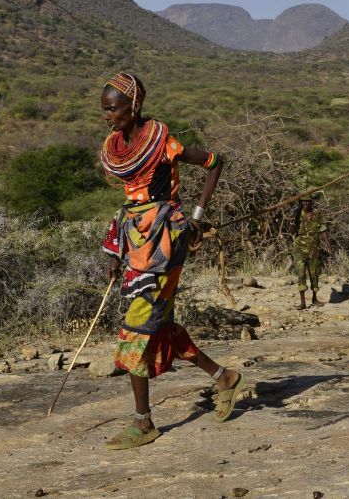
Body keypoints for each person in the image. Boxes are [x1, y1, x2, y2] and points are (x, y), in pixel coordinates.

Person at [98, 72, 245, 450]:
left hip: (164, 242)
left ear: (134, 106)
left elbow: (214, 162)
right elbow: (131, 204)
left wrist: (196, 217)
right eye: (104, 110)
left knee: (136, 329)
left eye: (112, 109)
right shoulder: (117, 147)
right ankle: (223, 376)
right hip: (135, 240)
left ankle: (143, 422)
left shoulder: (163, 143)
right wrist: (116, 251)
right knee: (159, 325)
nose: (107, 116)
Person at [291, 194, 331, 310]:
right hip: (299, 249)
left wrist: (327, 244)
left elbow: (322, 229)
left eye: (308, 201)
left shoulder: (317, 213)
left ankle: (314, 298)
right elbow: (292, 231)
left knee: (314, 274)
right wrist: (293, 220)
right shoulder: (297, 215)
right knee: (301, 274)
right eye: (304, 201)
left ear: (311, 202)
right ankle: (302, 302)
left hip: (314, 248)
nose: (306, 203)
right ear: (301, 203)